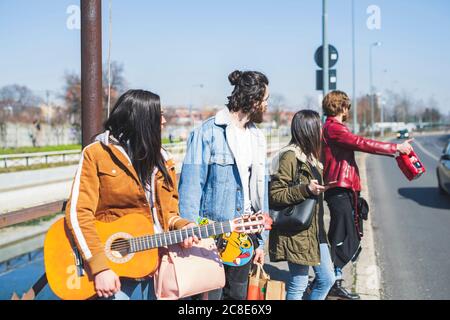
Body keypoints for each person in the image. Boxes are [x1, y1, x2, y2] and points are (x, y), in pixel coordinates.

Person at [64, 89, 198, 300]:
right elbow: (78, 213)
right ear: (142, 120)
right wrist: (99, 267)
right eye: (158, 115)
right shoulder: (96, 154)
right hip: (114, 268)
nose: (163, 121)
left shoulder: (164, 160)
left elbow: (169, 213)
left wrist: (183, 225)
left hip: (157, 264)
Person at [178, 70, 270, 300]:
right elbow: (190, 187)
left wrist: (261, 242)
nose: (267, 106)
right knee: (209, 298)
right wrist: (189, 232)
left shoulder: (257, 137)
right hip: (210, 238)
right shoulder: (208, 132)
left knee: (237, 299)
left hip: (245, 238)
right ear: (253, 100)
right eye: (266, 100)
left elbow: (260, 192)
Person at [321, 90, 413, 300]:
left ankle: (331, 281)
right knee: (343, 236)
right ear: (342, 107)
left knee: (345, 235)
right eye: (347, 107)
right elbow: (362, 143)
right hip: (340, 188)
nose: (348, 111)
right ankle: (329, 281)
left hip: (343, 188)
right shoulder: (334, 128)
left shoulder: (331, 127)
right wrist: (396, 148)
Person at [269, 110, 335, 300]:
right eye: (318, 127)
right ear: (309, 130)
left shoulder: (311, 158)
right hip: (297, 232)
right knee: (299, 283)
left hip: (315, 231)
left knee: (327, 278)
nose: (321, 132)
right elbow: (276, 194)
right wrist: (305, 189)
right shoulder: (290, 157)